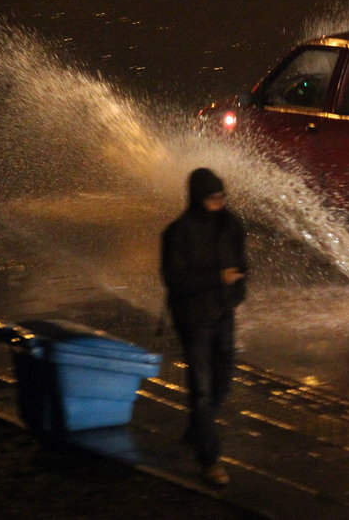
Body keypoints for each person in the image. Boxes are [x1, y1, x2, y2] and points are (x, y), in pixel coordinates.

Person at [160, 168, 247, 486]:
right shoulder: (178, 233)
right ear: (198, 199)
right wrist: (216, 279)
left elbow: (242, 265)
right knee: (202, 388)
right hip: (193, 318)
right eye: (213, 198)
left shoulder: (231, 226)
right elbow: (174, 279)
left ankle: (198, 428)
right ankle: (209, 460)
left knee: (223, 383)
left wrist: (236, 295)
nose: (219, 202)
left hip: (223, 314)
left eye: (222, 196)